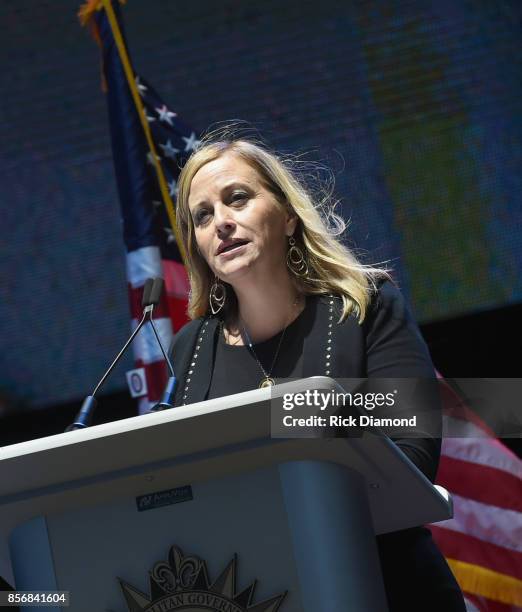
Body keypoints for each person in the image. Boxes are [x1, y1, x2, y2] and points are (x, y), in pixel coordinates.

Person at [168, 127, 466, 612]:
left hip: (388, 587)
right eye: (202, 216)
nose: (221, 222)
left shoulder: (366, 307)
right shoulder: (191, 348)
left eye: (237, 199)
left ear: (287, 215)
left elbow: (411, 458)